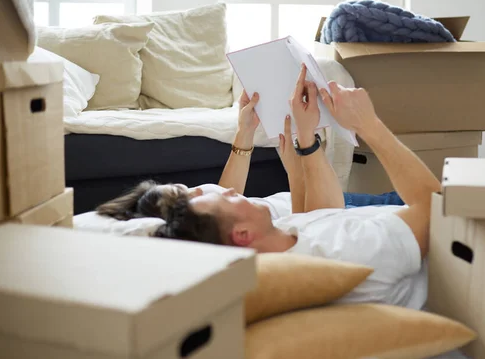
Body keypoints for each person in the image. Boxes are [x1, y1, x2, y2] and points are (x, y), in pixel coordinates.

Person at [155, 64, 441, 310]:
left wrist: (304, 144)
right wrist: (367, 124)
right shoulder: (341, 253)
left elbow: (322, 215)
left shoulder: (284, 244)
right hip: (453, 243)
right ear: (242, 234)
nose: (229, 191)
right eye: (226, 199)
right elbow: (436, 212)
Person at [97, 89, 403, 221]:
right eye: (189, 192)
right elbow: (316, 223)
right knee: (433, 206)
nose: (200, 188)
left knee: (433, 202)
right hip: (336, 207)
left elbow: (225, 191)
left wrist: (245, 130)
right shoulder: (227, 228)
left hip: (329, 203)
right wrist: (303, 156)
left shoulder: (219, 207)